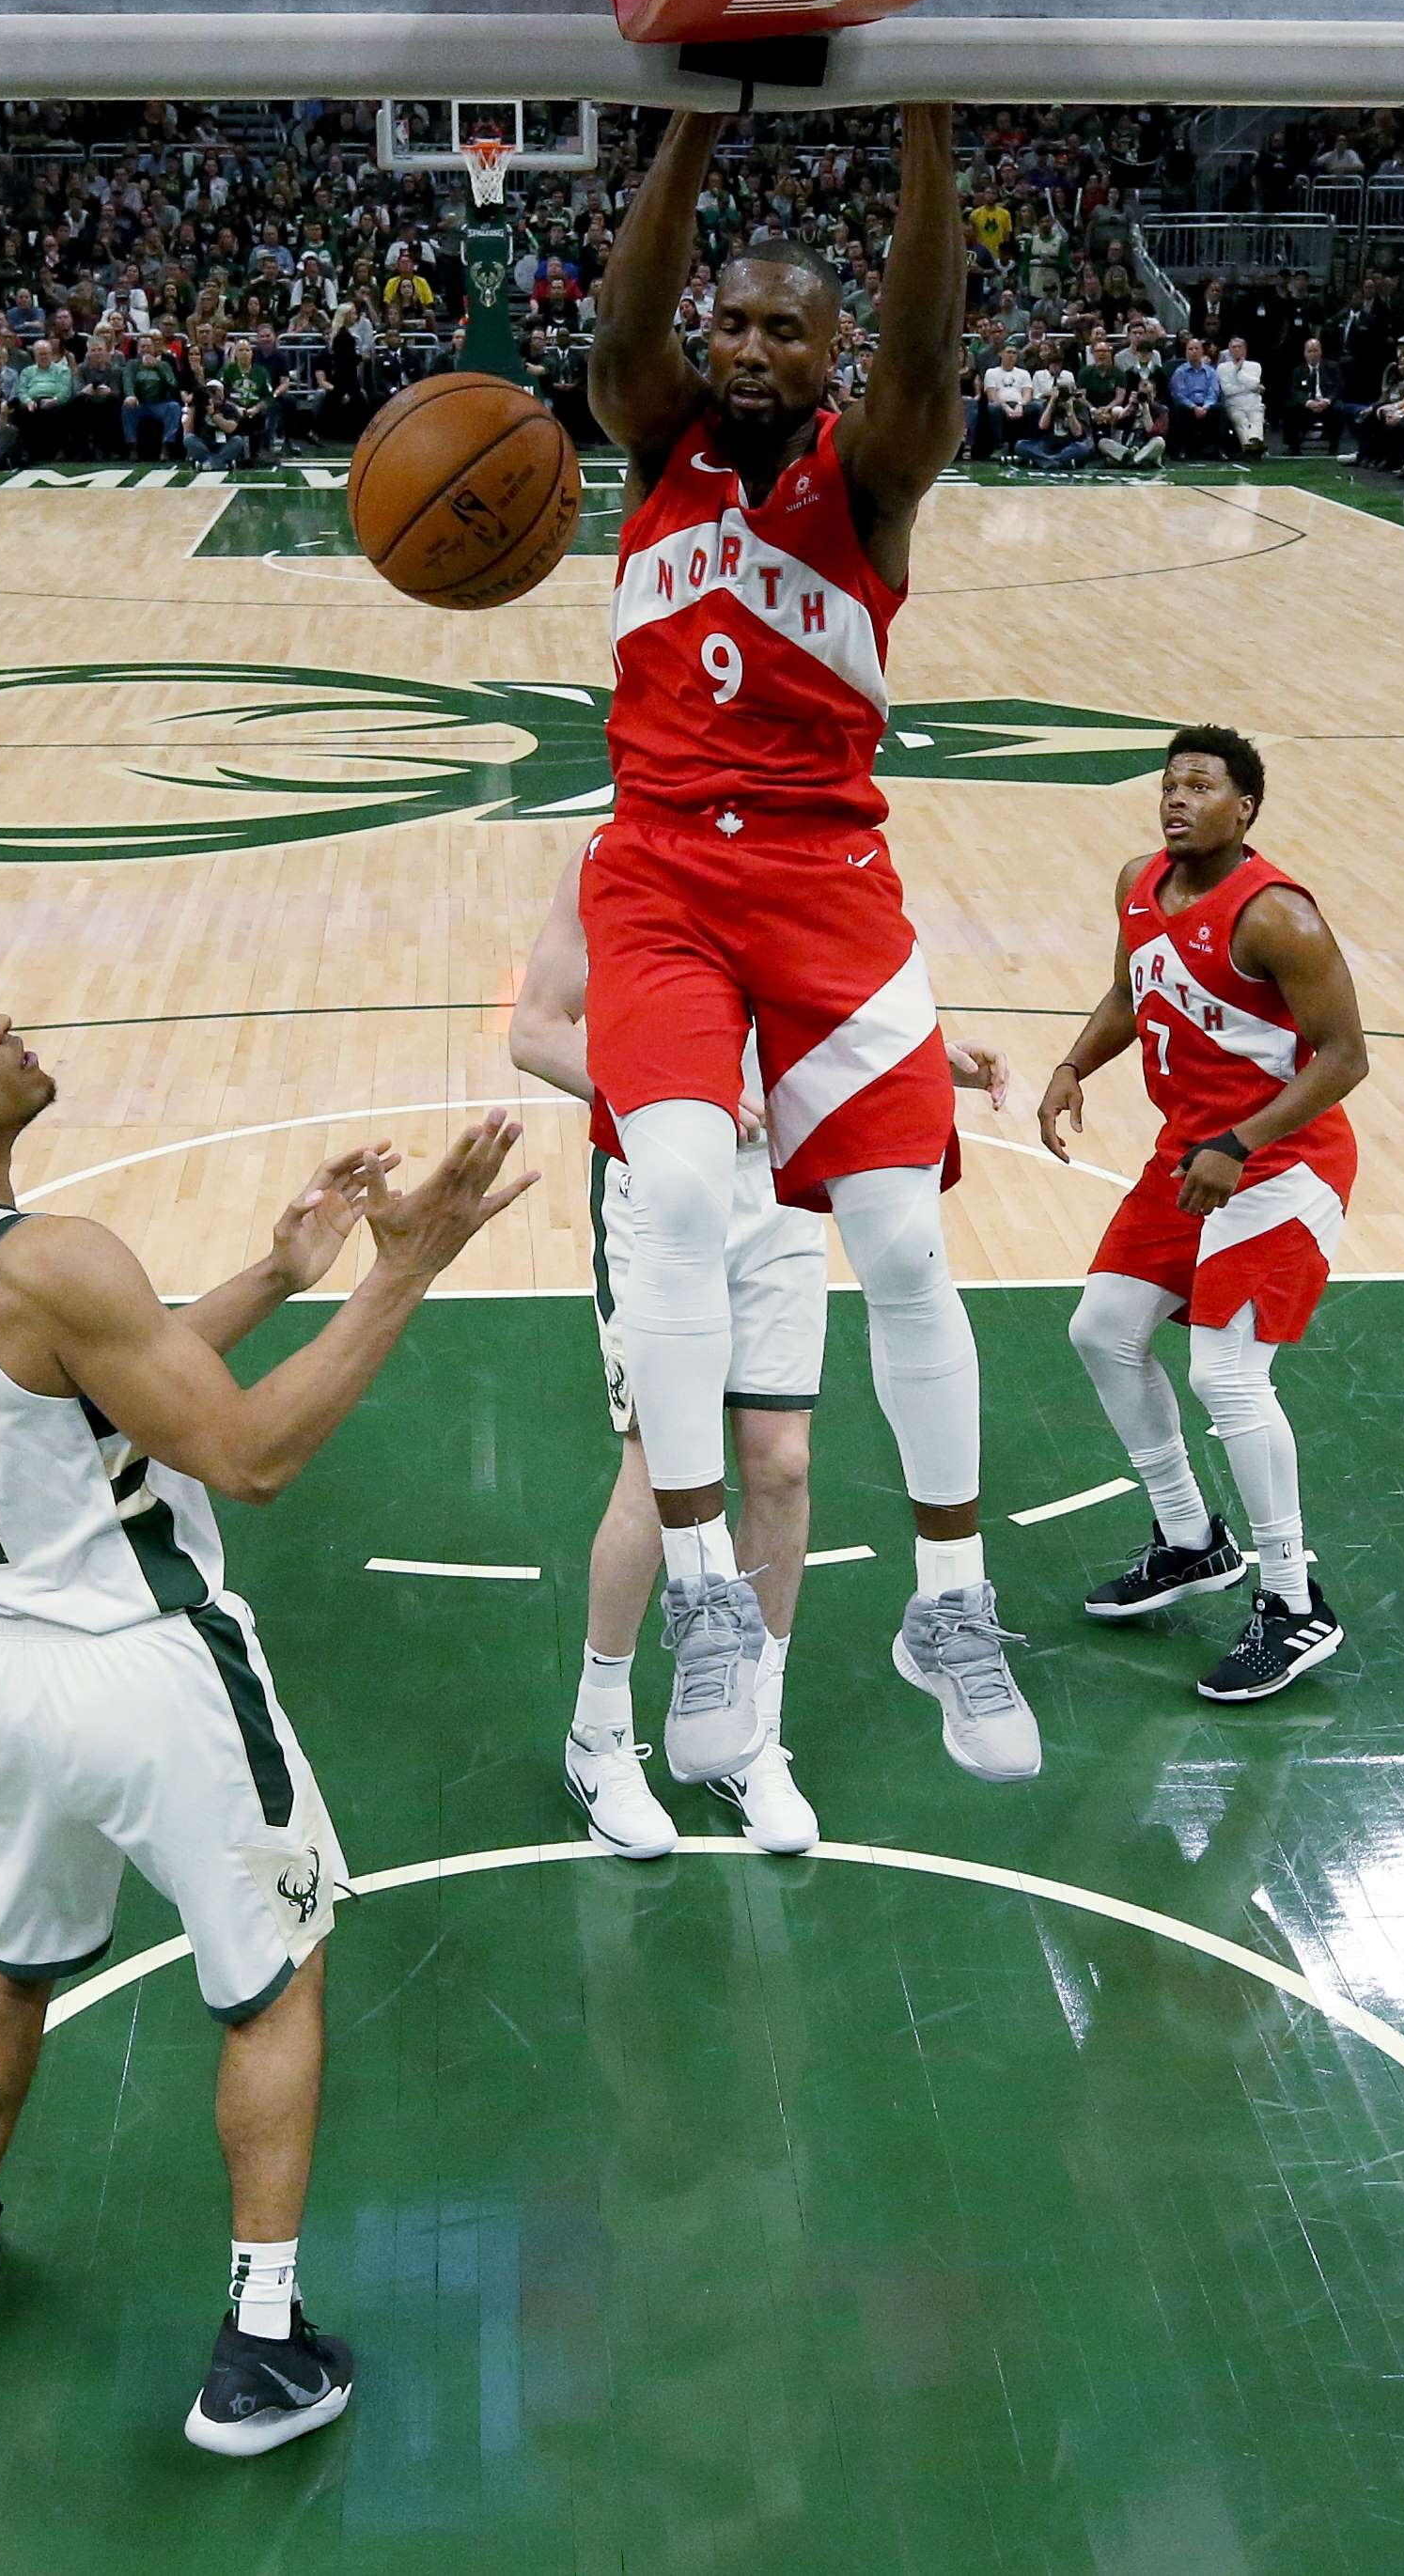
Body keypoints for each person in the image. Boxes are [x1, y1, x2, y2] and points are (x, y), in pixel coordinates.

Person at [0, 959, 533, 2458]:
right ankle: (259, 2350)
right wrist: (402, 1266)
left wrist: (274, 1275)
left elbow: (78, 1385)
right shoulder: (57, 1256)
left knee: (12, 1957)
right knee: (276, 1977)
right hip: (146, 1668)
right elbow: (243, 1457)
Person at [585, 104, 1041, 1784]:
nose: (749, 347)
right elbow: (623, 331)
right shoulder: (655, 445)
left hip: (823, 875)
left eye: (786, 326)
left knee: (905, 1244)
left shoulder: (872, 471)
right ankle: (705, 1586)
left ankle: (950, 1598)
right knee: (688, 1198)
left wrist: (929, 129)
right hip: (653, 876)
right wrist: (695, 124)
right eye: (734, 321)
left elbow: (928, 339)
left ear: (832, 354)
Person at [507, 842, 1018, 1857]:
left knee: (781, 1466)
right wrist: (665, 1093)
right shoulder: (614, 856)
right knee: (658, 1475)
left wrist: (921, 1059)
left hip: (778, 1193)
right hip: (656, 1191)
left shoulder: (791, 842)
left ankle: (751, 1734)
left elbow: (820, 1016)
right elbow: (535, 1032)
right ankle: (599, 1733)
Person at [1039, 726, 1374, 1702]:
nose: (1177, 799)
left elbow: (1344, 1055)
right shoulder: (1137, 882)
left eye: (1201, 785)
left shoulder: (1278, 918)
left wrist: (1239, 1144)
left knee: (1226, 1375)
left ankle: (1290, 1600)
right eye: (1169, 783)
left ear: (1246, 809)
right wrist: (1070, 1066)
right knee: (1102, 1330)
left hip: (1282, 1162)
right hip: (1192, 1155)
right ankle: (1190, 1539)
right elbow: (1125, 992)